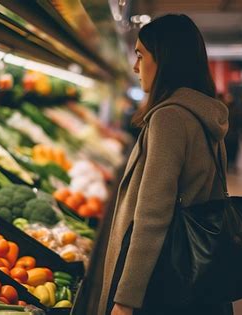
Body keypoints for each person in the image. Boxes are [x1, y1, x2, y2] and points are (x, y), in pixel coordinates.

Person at [99, 14, 231, 315]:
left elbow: (152, 216)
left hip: (163, 277)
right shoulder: (204, 113)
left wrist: (125, 299)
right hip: (197, 271)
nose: (135, 67)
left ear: (165, 59)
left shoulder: (168, 118)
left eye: (140, 55)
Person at [223, 93, 241, 172]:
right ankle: (230, 166)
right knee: (232, 151)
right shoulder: (235, 109)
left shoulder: (225, 109)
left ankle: (229, 166)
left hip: (229, 134)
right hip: (231, 134)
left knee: (230, 151)